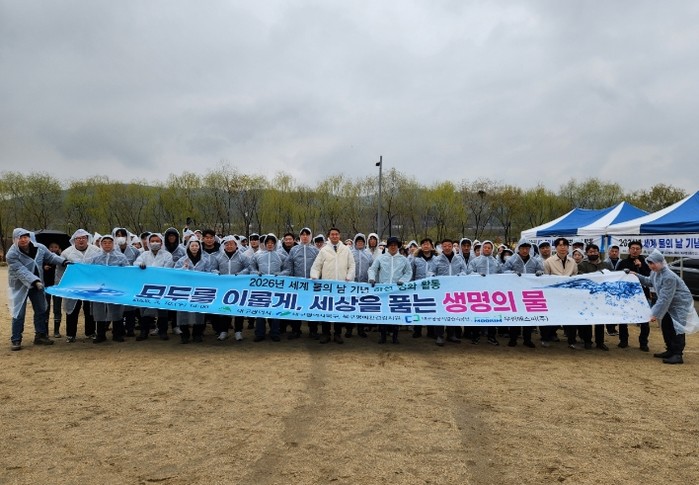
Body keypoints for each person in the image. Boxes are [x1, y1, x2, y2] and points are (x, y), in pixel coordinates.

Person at [7, 228, 68, 350]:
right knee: (19, 312)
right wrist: (34, 281)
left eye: (25, 237)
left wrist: (63, 262)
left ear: (29, 237)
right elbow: (20, 270)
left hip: (37, 285)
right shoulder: (11, 254)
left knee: (41, 309)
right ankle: (16, 339)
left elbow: (51, 257)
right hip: (20, 286)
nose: (23, 240)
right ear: (15, 239)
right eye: (20, 238)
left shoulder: (40, 248)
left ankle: (40, 335)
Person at [633, 249, 694, 364]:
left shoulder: (668, 276)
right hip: (668, 304)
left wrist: (654, 314)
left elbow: (665, 298)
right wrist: (636, 275)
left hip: (678, 304)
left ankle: (678, 354)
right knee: (666, 326)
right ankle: (670, 350)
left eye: (653, 263)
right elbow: (649, 281)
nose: (651, 266)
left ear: (661, 262)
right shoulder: (655, 273)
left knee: (676, 328)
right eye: (650, 263)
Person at [310, 228, 355, 344]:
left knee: (338, 310)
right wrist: (314, 276)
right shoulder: (324, 250)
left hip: (341, 286)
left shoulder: (346, 250)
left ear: (339, 236)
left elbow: (352, 265)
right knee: (326, 310)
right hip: (327, 287)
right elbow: (317, 266)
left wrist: (349, 276)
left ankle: (338, 334)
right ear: (329, 236)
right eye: (332, 234)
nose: (334, 236)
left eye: (336, 234)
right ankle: (326, 333)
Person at [57, 229, 102, 343]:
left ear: (87, 239)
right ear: (74, 240)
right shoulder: (67, 253)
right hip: (74, 286)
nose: (81, 240)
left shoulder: (96, 251)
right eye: (78, 238)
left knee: (90, 309)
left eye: (83, 238)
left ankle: (90, 332)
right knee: (72, 310)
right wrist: (62, 285)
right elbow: (60, 271)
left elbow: (101, 267)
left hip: (91, 286)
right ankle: (71, 334)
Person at [368, 236, 412, 344]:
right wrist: (372, 278)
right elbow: (372, 269)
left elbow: (408, 272)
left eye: (395, 245)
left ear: (398, 246)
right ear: (387, 247)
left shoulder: (403, 259)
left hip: (397, 290)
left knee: (395, 313)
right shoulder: (381, 258)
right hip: (384, 290)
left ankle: (395, 336)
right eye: (391, 245)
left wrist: (402, 280)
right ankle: (382, 336)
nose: (393, 247)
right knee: (384, 313)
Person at [502, 239, 544, 347]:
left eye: (527, 248)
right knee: (515, 317)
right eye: (522, 248)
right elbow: (503, 271)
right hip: (515, 293)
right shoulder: (512, 260)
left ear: (530, 249)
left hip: (529, 293)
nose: (525, 251)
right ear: (519, 248)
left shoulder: (535, 261)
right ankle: (513, 338)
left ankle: (527, 339)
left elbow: (541, 271)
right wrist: (512, 273)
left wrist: (540, 272)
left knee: (528, 317)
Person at [88, 234, 129, 343]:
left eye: (109, 242)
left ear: (113, 244)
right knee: (99, 310)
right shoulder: (95, 257)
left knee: (116, 310)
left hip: (115, 288)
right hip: (99, 288)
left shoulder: (121, 257)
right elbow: (90, 271)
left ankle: (117, 334)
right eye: (104, 242)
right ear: (101, 244)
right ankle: (100, 335)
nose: (107, 245)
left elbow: (127, 271)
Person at [134, 233, 174, 340]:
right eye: (152, 241)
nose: (155, 243)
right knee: (145, 309)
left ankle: (163, 331)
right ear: (148, 242)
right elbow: (136, 263)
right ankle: (144, 332)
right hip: (146, 287)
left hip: (162, 286)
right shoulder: (144, 255)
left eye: (157, 241)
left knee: (162, 309)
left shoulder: (167, 255)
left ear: (161, 242)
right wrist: (140, 265)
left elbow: (167, 269)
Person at [174, 237, 215, 343]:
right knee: (183, 311)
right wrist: (183, 268)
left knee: (199, 311)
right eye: (192, 245)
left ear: (199, 247)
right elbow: (175, 273)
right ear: (188, 247)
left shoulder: (205, 260)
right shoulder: (182, 260)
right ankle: (184, 335)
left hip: (199, 290)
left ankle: (197, 334)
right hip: (185, 290)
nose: (194, 247)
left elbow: (209, 272)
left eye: (196, 245)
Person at [249, 233, 288, 342]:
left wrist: (280, 274)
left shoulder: (281, 256)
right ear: (265, 244)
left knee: (275, 310)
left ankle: (275, 332)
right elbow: (251, 267)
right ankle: (259, 333)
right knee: (260, 311)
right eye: (268, 243)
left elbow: (288, 269)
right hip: (261, 288)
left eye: (272, 243)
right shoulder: (257, 255)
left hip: (276, 288)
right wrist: (256, 273)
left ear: (275, 244)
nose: (270, 244)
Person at [212, 235, 250, 341]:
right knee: (224, 309)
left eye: (231, 244)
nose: (229, 246)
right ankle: (224, 331)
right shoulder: (219, 257)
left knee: (238, 309)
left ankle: (238, 331)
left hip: (238, 287)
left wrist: (240, 274)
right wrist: (217, 273)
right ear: (224, 246)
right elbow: (213, 268)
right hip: (224, 287)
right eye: (227, 244)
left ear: (236, 245)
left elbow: (249, 267)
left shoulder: (242, 256)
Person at [541, 237, 578, 347]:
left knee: (571, 318)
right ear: (556, 247)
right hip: (553, 295)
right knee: (550, 317)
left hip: (568, 295)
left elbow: (575, 277)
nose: (563, 248)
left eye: (565, 245)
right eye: (560, 245)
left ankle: (572, 341)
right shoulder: (548, 262)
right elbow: (545, 279)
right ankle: (545, 338)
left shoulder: (573, 262)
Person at [283, 228, 319, 339]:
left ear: (310, 236)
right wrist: (290, 280)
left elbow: (319, 267)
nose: (305, 237)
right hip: (297, 285)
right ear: (300, 237)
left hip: (311, 285)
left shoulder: (315, 251)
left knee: (312, 307)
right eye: (302, 235)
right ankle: (296, 330)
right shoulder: (294, 250)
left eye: (307, 235)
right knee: (296, 308)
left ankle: (313, 331)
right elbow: (289, 266)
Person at [576, 244, 612, 351]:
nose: (593, 253)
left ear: (598, 252)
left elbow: (611, 277)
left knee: (600, 320)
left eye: (595, 251)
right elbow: (582, 278)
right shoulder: (582, 265)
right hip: (587, 296)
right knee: (587, 320)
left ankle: (600, 342)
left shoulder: (606, 265)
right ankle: (587, 341)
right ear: (587, 253)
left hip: (601, 296)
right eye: (591, 252)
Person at [617, 241, 652, 351]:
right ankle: (623, 340)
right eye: (633, 248)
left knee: (644, 320)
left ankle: (643, 342)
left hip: (642, 295)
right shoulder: (623, 262)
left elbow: (650, 278)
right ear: (629, 250)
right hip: (626, 295)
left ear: (641, 250)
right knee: (623, 318)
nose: (635, 251)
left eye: (637, 248)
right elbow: (617, 277)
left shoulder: (646, 263)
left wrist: (640, 267)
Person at [466, 240, 502, 346]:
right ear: (482, 248)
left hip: (492, 293)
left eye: (489, 248)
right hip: (478, 292)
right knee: (477, 314)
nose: (487, 249)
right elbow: (469, 272)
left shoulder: (496, 262)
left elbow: (501, 274)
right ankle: (475, 336)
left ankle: (491, 336)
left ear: (492, 249)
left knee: (492, 315)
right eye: (485, 247)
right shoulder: (475, 261)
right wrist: (477, 275)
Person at [433, 238, 468, 346]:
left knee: (452, 312)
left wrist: (459, 277)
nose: (447, 248)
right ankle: (439, 336)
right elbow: (431, 272)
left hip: (454, 290)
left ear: (452, 247)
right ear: (441, 247)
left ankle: (451, 334)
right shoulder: (437, 259)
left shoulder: (459, 258)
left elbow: (464, 271)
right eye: (445, 246)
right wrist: (435, 278)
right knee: (440, 313)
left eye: (449, 245)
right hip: (441, 291)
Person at [345, 233, 373, 338]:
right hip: (352, 284)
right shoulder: (350, 253)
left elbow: (372, 268)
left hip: (364, 285)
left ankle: (361, 330)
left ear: (364, 243)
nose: (360, 243)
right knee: (351, 307)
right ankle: (349, 329)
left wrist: (370, 279)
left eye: (362, 241)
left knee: (361, 308)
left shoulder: (368, 254)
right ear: (355, 242)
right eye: (358, 241)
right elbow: (346, 266)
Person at [411, 238, 439, 339]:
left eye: (428, 244)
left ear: (431, 246)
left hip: (432, 288)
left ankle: (431, 331)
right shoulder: (415, 259)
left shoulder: (437, 259)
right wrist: (412, 285)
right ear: (421, 246)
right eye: (423, 244)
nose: (426, 246)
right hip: (418, 288)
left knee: (431, 309)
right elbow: (412, 273)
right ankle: (417, 330)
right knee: (418, 308)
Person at [43, 241, 63, 338]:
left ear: (59, 248)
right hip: (46, 286)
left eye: (56, 247)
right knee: (45, 308)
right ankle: (45, 331)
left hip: (57, 287)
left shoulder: (61, 258)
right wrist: (43, 267)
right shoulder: (44, 258)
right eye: (51, 247)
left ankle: (56, 330)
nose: (53, 249)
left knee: (57, 308)